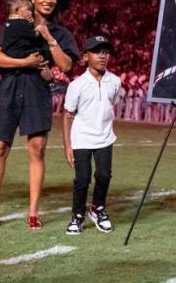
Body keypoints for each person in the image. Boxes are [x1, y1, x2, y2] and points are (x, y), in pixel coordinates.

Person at [0, 0, 79, 230]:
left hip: (37, 90)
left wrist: (49, 38)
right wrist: (24, 62)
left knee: (37, 149)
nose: (48, 0)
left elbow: (67, 65)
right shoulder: (12, 25)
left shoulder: (60, 32)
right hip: (10, 88)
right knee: (0, 147)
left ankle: (33, 212)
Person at [63, 35, 121, 235]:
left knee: (104, 175)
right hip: (81, 138)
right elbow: (68, 115)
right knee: (82, 179)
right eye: (97, 52)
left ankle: (98, 209)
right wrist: (68, 145)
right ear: (85, 56)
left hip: (105, 137)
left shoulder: (115, 81)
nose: (103, 56)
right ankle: (77, 216)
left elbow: (110, 103)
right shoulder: (77, 85)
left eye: (106, 52)